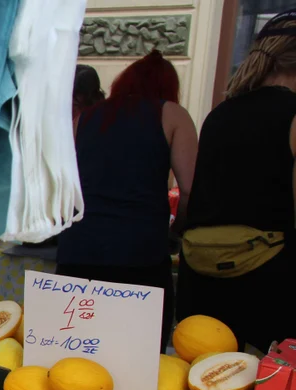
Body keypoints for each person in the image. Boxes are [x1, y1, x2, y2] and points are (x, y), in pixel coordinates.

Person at [55, 50, 198, 351]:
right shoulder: (173, 114)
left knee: (74, 350)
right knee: (137, 355)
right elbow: (189, 189)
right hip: (140, 255)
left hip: (80, 251)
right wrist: (178, 231)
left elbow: (62, 184)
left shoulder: (84, 119)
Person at [176, 10, 296, 353]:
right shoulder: (292, 114)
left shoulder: (220, 113)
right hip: (268, 281)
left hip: (200, 276)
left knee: (201, 385)